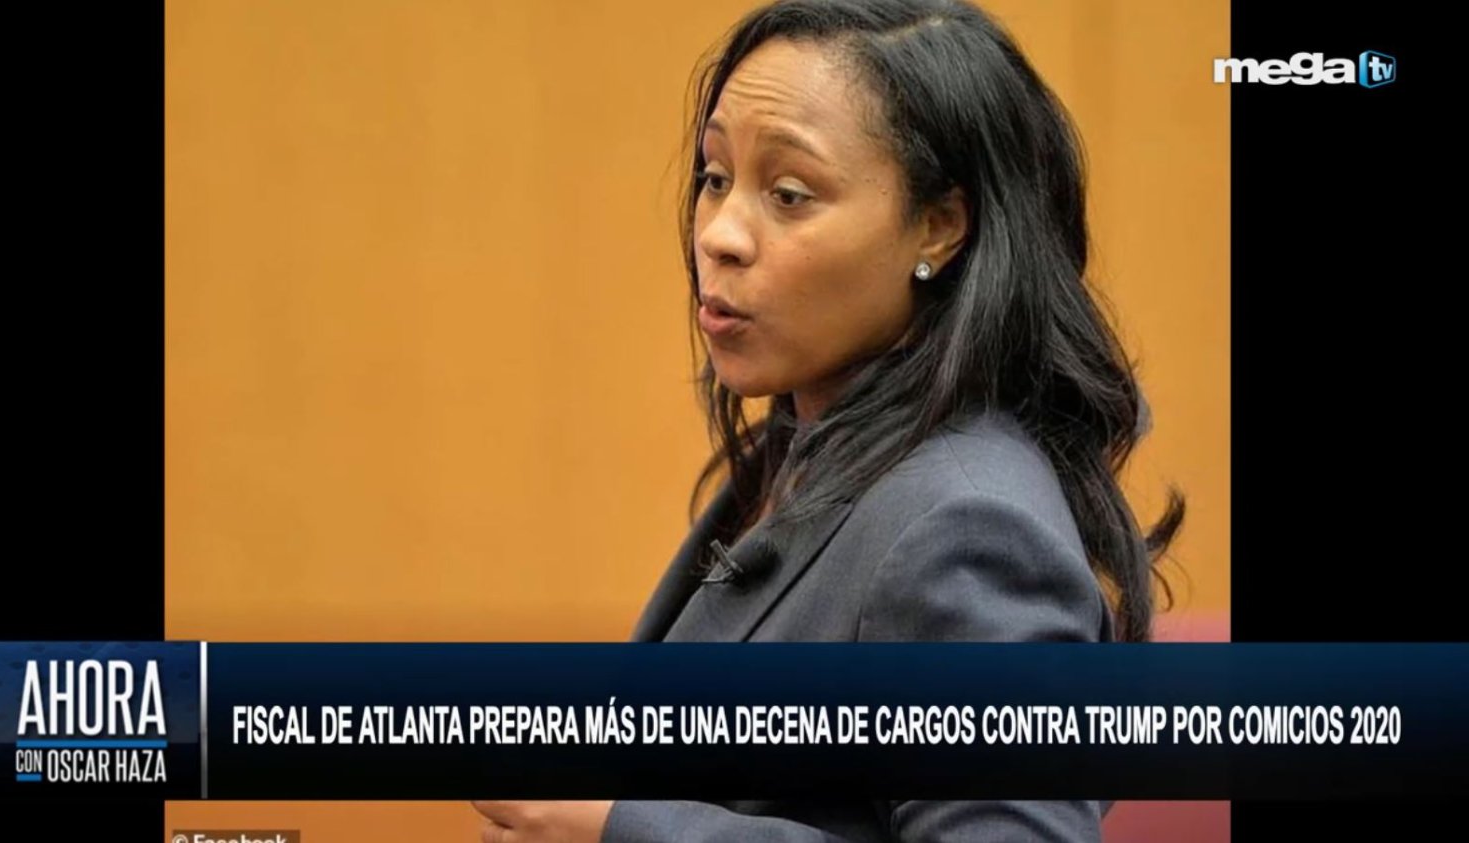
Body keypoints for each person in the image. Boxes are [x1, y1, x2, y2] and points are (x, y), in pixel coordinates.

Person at [472, 0, 1183, 840]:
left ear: (939, 228)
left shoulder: (969, 528)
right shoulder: (810, 448)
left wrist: (619, 827)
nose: (721, 234)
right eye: (714, 178)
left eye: (789, 194)